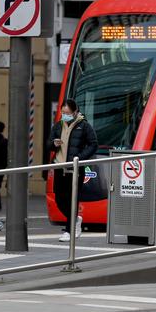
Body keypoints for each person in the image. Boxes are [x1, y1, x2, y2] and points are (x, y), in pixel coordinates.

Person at [47, 99, 98, 242]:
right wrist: (53, 144)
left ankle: (69, 231)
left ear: (75, 112)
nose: (65, 115)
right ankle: (75, 219)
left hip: (75, 168)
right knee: (59, 199)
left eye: (68, 113)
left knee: (71, 198)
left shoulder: (84, 126)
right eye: (63, 113)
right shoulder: (58, 126)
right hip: (59, 167)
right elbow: (48, 144)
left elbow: (93, 144)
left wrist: (79, 158)